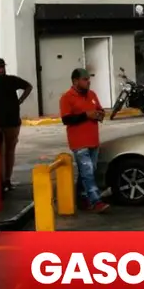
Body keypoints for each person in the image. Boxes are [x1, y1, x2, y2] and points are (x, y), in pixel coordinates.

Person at [59, 68, 109, 213]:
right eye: (85, 79)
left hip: (93, 140)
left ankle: (81, 198)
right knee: (87, 171)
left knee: (88, 171)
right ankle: (96, 201)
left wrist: (99, 114)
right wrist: (86, 115)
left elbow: (100, 110)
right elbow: (66, 119)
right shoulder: (67, 97)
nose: (88, 82)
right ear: (75, 81)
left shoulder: (92, 95)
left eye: (88, 79)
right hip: (79, 142)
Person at [0, 58, 32, 193]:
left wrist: (20, 101)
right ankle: (1, 179)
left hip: (12, 121)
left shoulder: (11, 80)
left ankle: (7, 179)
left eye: (1, 67)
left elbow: (29, 86)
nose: (0, 69)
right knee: (0, 153)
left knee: (9, 151)